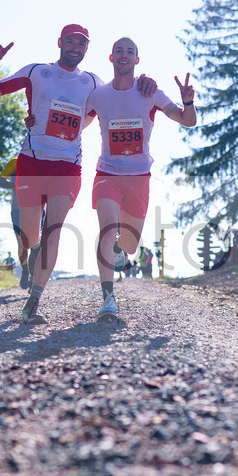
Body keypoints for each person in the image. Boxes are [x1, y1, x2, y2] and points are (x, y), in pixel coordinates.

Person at [0, 25, 155, 324]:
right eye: (71, 42)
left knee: (54, 229)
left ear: (87, 48)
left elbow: (112, 100)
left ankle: (32, 303)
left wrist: (145, 81)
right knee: (29, 237)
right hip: (32, 163)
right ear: (60, 42)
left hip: (67, 166)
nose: (76, 47)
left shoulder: (90, 81)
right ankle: (31, 251)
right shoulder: (36, 71)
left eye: (82, 43)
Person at [88, 36, 196, 321]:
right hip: (106, 174)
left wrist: (188, 101)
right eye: (119, 51)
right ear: (110, 58)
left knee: (130, 245)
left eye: (130, 52)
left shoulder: (151, 93)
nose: (124, 55)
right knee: (108, 228)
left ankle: (119, 251)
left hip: (139, 178)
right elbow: (75, 121)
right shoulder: (98, 95)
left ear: (137, 60)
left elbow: (187, 120)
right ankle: (107, 299)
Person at [0, 155, 41, 290]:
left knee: (36, 244)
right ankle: (25, 270)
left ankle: (33, 276)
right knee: (22, 243)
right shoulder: (14, 162)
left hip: (37, 207)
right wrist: (16, 186)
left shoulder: (42, 161)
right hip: (17, 209)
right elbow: (0, 181)